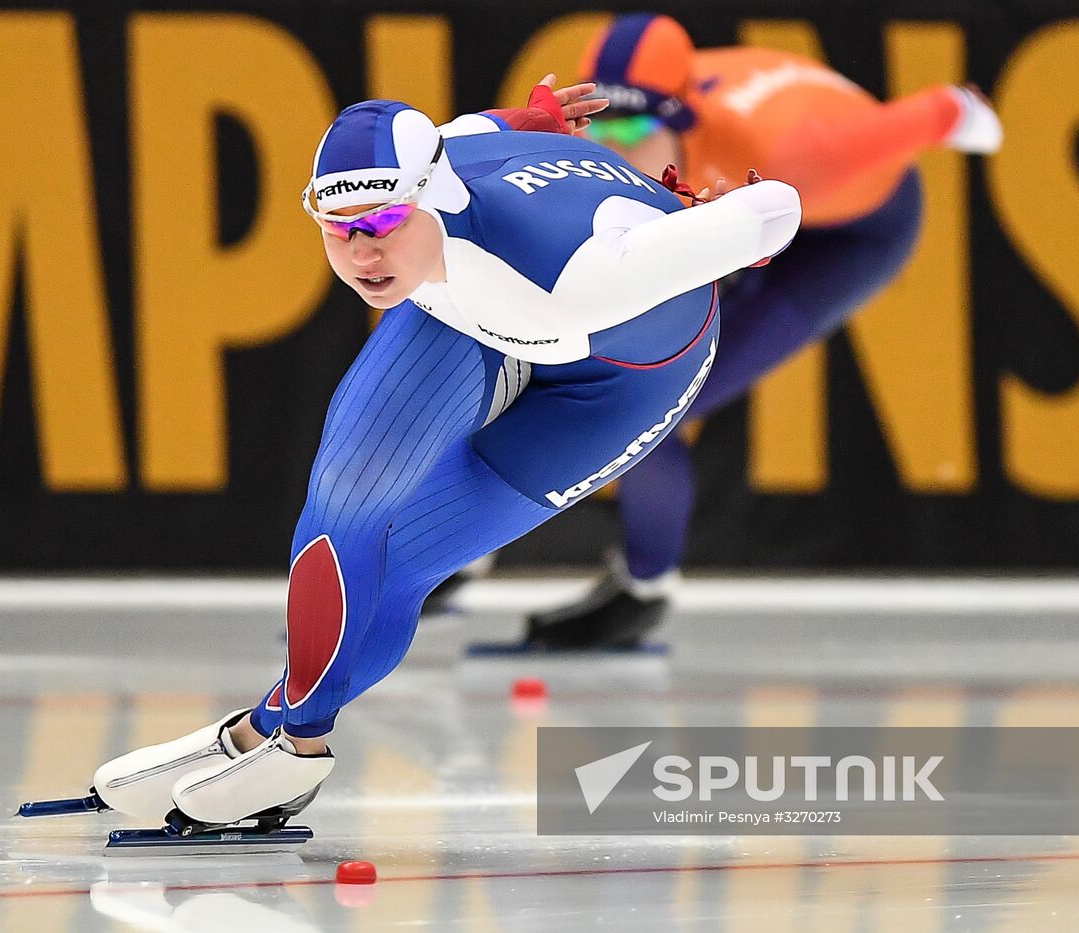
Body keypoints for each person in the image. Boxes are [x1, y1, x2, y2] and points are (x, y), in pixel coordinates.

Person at [84, 79, 802, 831]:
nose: (365, 252)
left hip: (616, 379)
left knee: (402, 560)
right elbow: (484, 126)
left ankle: (287, 739)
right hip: (467, 303)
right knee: (346, 500)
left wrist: (713, 229)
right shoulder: (440, 171)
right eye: (339, 229)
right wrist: (536, 120)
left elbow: (777, 208)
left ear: (432, 195)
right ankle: (272, 735)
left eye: (386, 220)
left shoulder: (578, 281)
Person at [523, 13, 1003, 649]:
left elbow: (942, 112)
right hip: (734, 199)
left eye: (634, 127)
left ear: (682, 116)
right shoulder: (656, 128)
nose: (612, 148)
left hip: (847, 233)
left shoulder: (802, 152)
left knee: (654, 405)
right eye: (596, 124)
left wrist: (966, 113)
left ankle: (644, 590)